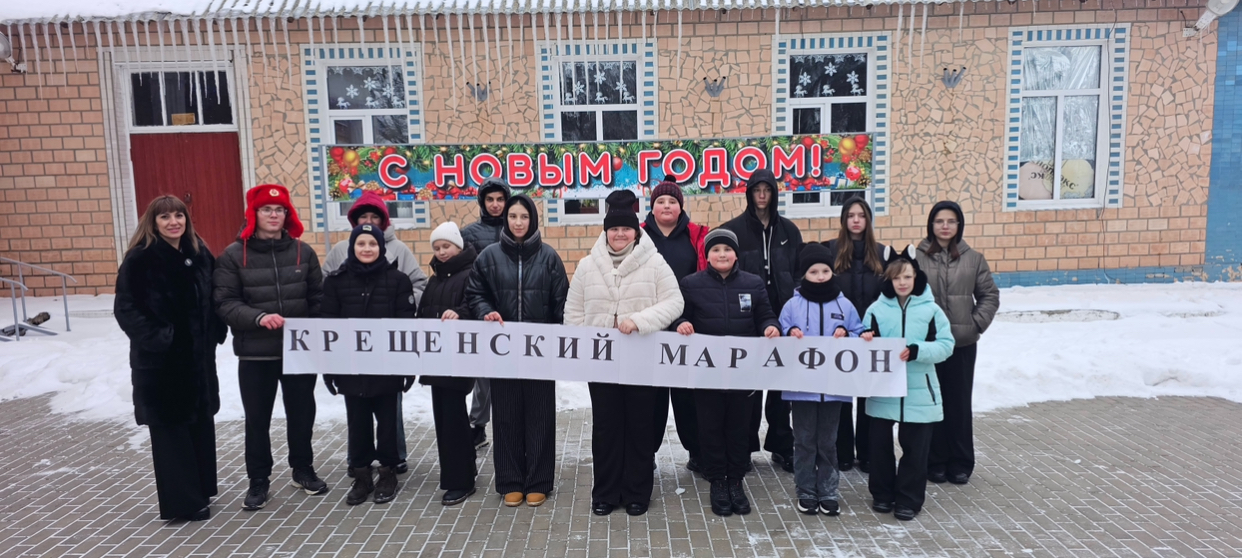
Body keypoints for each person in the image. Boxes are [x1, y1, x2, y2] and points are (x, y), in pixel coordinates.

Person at [566, 190, 685, 517]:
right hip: (602, 361)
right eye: (614, 229)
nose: (620, 234)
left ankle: (636, 492)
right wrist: (585, 346)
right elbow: (573, 312)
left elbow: (674, 302)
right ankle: (605, 492)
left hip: (641, 359)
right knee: (606, 427)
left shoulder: (655, 262)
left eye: (626, 229)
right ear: (606, 231)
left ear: (636, 231)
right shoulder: (587, 266)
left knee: (639, 426)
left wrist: (640, 321)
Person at [214, 184, 327, 511]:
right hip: (256, 352)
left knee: (302, 414)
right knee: (257, 419)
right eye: (267, 209)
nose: (274, 215)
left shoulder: (303, 252)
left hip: (299, 352)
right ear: (254, 214)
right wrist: (258, 317)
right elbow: (225, 302)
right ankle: (258, 479)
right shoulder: (233, 255)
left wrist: (318, 335)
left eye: (280, 210)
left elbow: (318, 299)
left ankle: (302, 469)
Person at [115, 195, 228, 521]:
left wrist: (214, 330)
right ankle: (183, 504)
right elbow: (125, 308)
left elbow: (215, 296)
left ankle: (201, 488)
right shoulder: (141, 259)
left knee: (199, 424)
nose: (173, 222)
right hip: (162, 364)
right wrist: (161, 337)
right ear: (153, 222)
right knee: (171, 431)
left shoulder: (199, 253)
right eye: (165, 217)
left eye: (179, 215)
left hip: (198, 361)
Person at [464, 195, 569, 508]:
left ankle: (538, 481)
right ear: (505, 220)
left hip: (540, 353)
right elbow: (475, 292)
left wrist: (558, 341)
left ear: (532, 219)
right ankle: (510, 481)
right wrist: (486, 311)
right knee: (506, 416)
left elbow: (561, 302)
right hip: (503, 352)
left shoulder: (549, 257)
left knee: (540, 416)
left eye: (524, 217)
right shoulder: (489, 256)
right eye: (513, 217)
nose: (518, 222)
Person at [674, 228, 781, 517]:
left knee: (738, 428)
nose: (722, 254)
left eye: (727, 249)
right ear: (707, 255)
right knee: (709, 428)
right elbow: (679, 314)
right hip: (706, 374)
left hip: (742, 373)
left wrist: (771, 327)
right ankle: (717, 482)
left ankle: (735, 480)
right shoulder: (691, 284)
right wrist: (681, 323)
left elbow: (766, 315)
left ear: (736, 255)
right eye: (716, 250)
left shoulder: (753, 283)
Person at [323, 191, 427, 475]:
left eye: (374, 218)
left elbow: (408, 313)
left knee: (388, 417)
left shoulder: (398, 272)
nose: (367, 248)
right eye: (361, 242)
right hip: (352, 362)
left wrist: (403, 305)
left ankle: (390, 466)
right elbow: (328, 317)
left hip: (387, 360)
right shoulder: (337, 271)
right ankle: (360, 468)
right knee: (357, 418)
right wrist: (329, 365)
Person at [861, 246, 955, 521]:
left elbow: (946, 345)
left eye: (907, 277)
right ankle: (882, 494)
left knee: (915, 450)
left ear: (916, 277)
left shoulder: (932, 311)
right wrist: (866, 339)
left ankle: (908, 499)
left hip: (920, 391)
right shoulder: (876, 309)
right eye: (896, 278)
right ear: (889, 280)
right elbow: (863, 340)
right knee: (879, 447)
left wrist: (918, 351)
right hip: (883, 389)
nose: (902, 282)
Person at [720, 168, 802, 472]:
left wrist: (795, 307)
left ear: (774, 194)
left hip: (782, 315)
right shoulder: (735, 230)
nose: (762, 195)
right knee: (749, 387)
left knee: (781, 385)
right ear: (749, 193)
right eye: (757, 190)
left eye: (767, 190)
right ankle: (745, 447)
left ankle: (781, 444)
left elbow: (798, 272)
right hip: (748, 317)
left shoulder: (789, 231)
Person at [916, 201, 1000, 486]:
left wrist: (974, 325)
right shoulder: (917, 257)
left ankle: (961, 462)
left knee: (959, 403)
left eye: (951, 221)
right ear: (931, 224)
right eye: (939, 221)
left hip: (961, 345)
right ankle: (935, 461)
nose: (945, 226)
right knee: (932, 401)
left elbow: (989, 296)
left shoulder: (973, 259)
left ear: (959, 225)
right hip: (929, 345)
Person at [779, 243, 864, 517]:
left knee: (828, 441)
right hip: (801, 389)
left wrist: (848, 335)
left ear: (832, 272)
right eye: (813, 271)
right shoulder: (792, 305)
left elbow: (860, 333)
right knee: (804, 440)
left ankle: (828, 490)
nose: (819, 276)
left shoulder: (844, 304)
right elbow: (779, 333)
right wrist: (789, 332)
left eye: (825, 271)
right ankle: (805, 489)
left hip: (834, 388)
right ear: (804, 274)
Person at [640, 181, 708, 474]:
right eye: (661, 201)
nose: (666, 206)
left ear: (681, 207)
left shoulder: (697, 235)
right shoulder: (639, 235)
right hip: (650, 328)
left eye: (672, 201)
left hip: (687, 327)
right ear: (652, 207)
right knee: (651, 398)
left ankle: (698, 452)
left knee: (688, 397)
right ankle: (646, 454)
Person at [417, 221, 480, 506]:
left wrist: (460, 314)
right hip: (436, 359)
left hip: (458, 359)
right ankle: (462, 468)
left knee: (453, 419)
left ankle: (460, 481)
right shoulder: (435, 279)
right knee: (443, 419)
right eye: (437, 247)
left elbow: (476, 305)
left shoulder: (471, 274)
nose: (442, 252)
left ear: (458, 246)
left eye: (447, 246)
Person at [822, 198, 887, 473]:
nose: (856, 220)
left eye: (861, 215)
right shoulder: (831, 250)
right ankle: (843, 452)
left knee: (868, 397)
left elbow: (888, 296)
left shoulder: (882, 254)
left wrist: (876, 329)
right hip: (841, 335)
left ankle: (869, 453)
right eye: (851, 215)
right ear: (844, 220)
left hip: (872, 337)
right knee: (842, 397)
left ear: (868, 220)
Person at [460, 177, 512, 451]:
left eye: (500, 199)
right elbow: (464, 275)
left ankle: (511, 425)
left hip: (513, 312)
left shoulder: (518, 228)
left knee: (513, 374)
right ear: (482, 202)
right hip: (482, 312)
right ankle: (477, 426)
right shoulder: (469, 234)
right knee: (484, 373)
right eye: (490, 199)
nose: (495, 204)